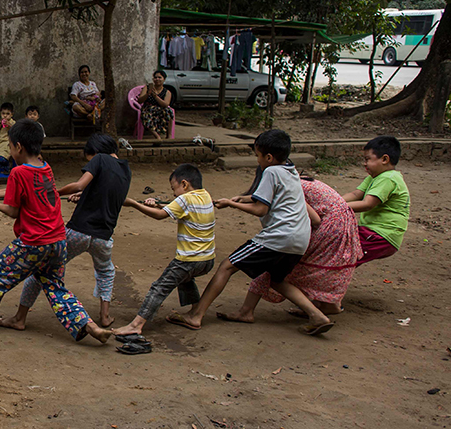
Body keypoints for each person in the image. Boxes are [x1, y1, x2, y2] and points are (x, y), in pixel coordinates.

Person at [0, 119, 113, 345]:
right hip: (57, 241)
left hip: (33, 242)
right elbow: (15, 192)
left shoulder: (18, 172)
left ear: (18, 147)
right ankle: (88, 325)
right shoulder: (45, 168)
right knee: (55, 287)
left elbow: (13, 210)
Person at [166, 130, 334, 335]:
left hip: (278, 237)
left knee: (226, 266)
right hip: (299, 239)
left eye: (258, 155)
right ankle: (317, 315)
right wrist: (241, 198)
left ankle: (196, 316)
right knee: (277, 280)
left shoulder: (271, 172)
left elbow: (260, 209)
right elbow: (273, 199)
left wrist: (231, 204)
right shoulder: (290, 169)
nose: (258, 160)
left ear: (268, 157)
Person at [1, 133, 130, 330]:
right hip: (104, 236)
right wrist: (83, 195)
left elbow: (79, 184)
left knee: (41, 271)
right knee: (106, 272)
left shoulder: (100, 159)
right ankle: (105, 317)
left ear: (96, 153)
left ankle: (20, 317)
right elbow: (103, 194)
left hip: (79, 230)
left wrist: (52, 192)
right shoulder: (125, 170)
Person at [218, 173, 362, 323]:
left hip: (329, 227)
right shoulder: (293, 181)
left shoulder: (290, 187)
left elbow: (315, 219)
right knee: (286, 268)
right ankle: (328, 305)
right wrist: (244, 199)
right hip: (343, 223)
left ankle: (248, 311)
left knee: (275, 269)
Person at [113, 164, 215, 336]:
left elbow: (161, 215)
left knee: (159, 287)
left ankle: (136, 325)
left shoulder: (184, 199)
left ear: (184, 184)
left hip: (188, 259)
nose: (174, 194)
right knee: (185, 279)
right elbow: (173, 209)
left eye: (173, 189)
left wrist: (133, 204)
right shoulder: (205, 195)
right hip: (207, 259)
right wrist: (156, 204)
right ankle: (195, 313)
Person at [342, 136, 410, 266]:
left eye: (368, 159)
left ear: (384, 159)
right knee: (344, 256)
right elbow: (356, 194)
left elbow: (367, 204)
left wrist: (337, 208)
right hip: (372, 231)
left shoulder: (388, 178)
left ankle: (326, 283)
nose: (364, 163)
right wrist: (333, 201)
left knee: (341, 257)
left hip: (381, 234)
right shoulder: (375, 176)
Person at [136, 70, 174, 140]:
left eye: (159, 77)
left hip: (160, 109)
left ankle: (169, 136)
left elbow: (165, 104)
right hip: (148, 108)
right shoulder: (147, 88)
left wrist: (156, 97)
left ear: (164, 79)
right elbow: (139, 100)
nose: (157, 79)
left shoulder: (167, 92)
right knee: (146, 115)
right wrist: (148, 94)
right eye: (155, 77)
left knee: (169, 112)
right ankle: (157, 136)